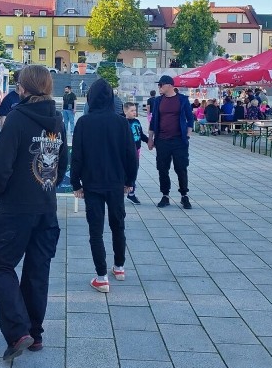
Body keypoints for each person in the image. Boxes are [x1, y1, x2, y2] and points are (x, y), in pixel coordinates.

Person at [0, 65, 67, 361]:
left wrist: (1, 193)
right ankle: (35, 333)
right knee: (38, 269)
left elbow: (0, 166)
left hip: (17, 208)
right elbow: (62, 164)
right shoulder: (56, 120)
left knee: (0, 261)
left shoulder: (18, 119)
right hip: (46, 208)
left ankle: (19, 330)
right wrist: (47, 187)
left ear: (24, 88)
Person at [71, 81, 138, 294]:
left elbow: (77, 157)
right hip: (116, 183)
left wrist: (75, 183)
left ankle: (101, 277)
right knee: (118, 225)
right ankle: (119, 267)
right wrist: (130, 181)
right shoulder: (121, 123)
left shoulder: (84, 123)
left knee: (95, 230)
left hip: (92, 184)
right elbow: (131, 155)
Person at [147, 75, 195, 209]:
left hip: (179, 140)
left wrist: (188, 134)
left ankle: (184, 195)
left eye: (161, 85)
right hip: (162, 140)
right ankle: (165, 195)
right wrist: (150, 138)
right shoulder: (158, 101)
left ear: (169, 85)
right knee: (162, 168)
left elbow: (190, 118)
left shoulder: (182, 100)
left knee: (181, 168)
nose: (159, 87)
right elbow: (154, 120)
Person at [123, 102, 149, 205]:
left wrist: (149, 141)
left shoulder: (137, 122)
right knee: (125, 171)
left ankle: (131, 193)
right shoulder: (123, 123)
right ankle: (124, 189)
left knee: (134, 170)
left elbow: (140, 134)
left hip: (136, 150)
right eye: (132, 111)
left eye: (135, 110)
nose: (134, 112)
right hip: (126, 152)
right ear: (125, 111)